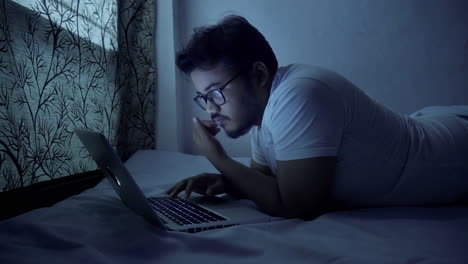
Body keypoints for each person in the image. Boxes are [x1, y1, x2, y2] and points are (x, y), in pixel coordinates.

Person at [165, 15, 468, 219]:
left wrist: (220, 159)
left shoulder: (299, 95)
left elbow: (297, 205)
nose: (210, 109)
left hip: (454, 150)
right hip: (431, 127)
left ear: (258, 74)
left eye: (216, 93)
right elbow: (268, 181)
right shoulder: (264, 115)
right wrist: (226, 181)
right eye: (204, 98)